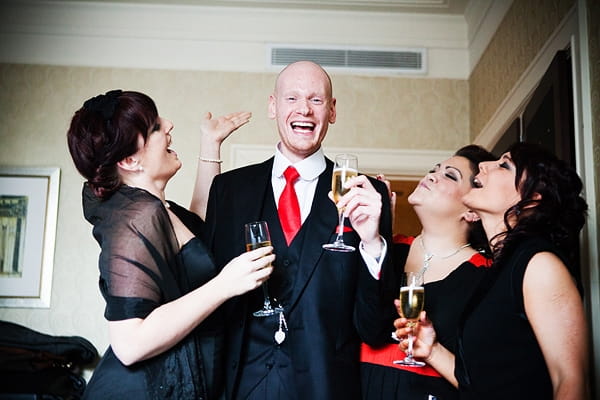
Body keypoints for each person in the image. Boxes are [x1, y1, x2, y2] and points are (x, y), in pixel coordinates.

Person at [202, 61, 393, 399]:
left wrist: (372, 243)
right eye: (291, 98)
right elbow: (209, 297)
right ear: (273, 106)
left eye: (316, 100)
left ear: (332, 111)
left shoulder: (367, 196)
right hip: (240, 386)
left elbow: (374, 328)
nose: (303, 109)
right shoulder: (229, 190)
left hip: (328, 386)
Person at [66, 89, 273, 399]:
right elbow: (129, 344)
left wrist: (211, 144)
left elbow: (197, 233)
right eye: (154, 127)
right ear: (130, 159)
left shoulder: (157, 209)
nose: (169, 125)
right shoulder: (135, 218)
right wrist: (225, 285)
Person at [395, 142, 590, 399]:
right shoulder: (498, 271)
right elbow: (482, 385)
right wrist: (432, 351)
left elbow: (571, 382)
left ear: (532, 199)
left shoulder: (539, 264)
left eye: (504, 165)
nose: (485, 166)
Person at [338, 145, 496, 400]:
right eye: (434, 169)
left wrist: (433, 350)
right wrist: (377, 235)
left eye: (450, 175)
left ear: (472, 210)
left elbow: (486, 377)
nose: (432, 175)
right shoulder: (384, 249)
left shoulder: (485, 276)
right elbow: (366, 328)